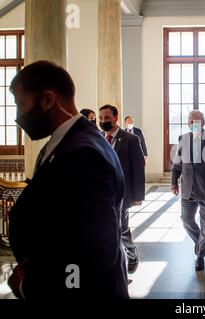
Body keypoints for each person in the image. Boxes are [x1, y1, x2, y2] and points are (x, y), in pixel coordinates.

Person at [7, 61, 128, 299]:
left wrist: (31, 285)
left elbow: (95, 251)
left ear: (48, 99)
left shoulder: (83, 152)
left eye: (21, 104)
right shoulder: (75, 140)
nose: (19, 116)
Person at [171, 110, 205, 271]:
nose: (194, 124)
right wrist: (174, 182)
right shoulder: (183, 139)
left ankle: (200, 256)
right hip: (187, 187)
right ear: (188, 123)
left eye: (197, 121)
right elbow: (177, 164)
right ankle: (201, 243)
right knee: (186, 220)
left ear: (203, 122)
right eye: (191, 121)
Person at [99, 105, 145, 275]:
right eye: (101, 118)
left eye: (106, 117)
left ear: (116, 117)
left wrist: (138, 195)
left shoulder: (130, 139)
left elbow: (138, 168)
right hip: (103, 194)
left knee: (121, 227)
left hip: (123, 193)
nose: (103, 121)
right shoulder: (98, 138)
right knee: (110, 228)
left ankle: (131, 253)